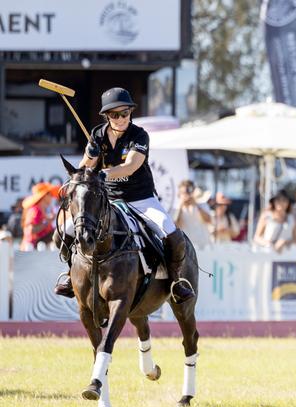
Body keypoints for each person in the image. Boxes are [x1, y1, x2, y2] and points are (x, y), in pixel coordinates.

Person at [54, 87, 195, 303]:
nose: (120, 119)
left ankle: (176, 281)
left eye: (124, 113)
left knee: (171, 233)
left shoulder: (139, 135)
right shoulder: (97, 135)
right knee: (63, 233)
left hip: (141, 198)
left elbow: (131, 166)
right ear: (106, 116)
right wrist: (85, 169)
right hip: (108, 200)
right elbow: (85, 167)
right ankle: (69, 272)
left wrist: (102, 173)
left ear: (130, 112)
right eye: (114, 115)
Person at [173, 180, 212, 249]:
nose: (186, 195)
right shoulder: (176, 208)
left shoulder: (202, 205)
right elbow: (175, 226)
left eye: (188, 192)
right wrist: (181, 206)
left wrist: (196, 205)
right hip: (186, 247)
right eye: (183, 193)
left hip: (202, 246)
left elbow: (208, 220)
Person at [20, 182, 58, 251]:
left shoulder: (42, 209)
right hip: (31, 248)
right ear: (44, 196)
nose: (52, 197)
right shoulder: (36, 210)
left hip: (38, 247)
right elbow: (31, 230)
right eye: (50, 194)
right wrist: (47, 222)